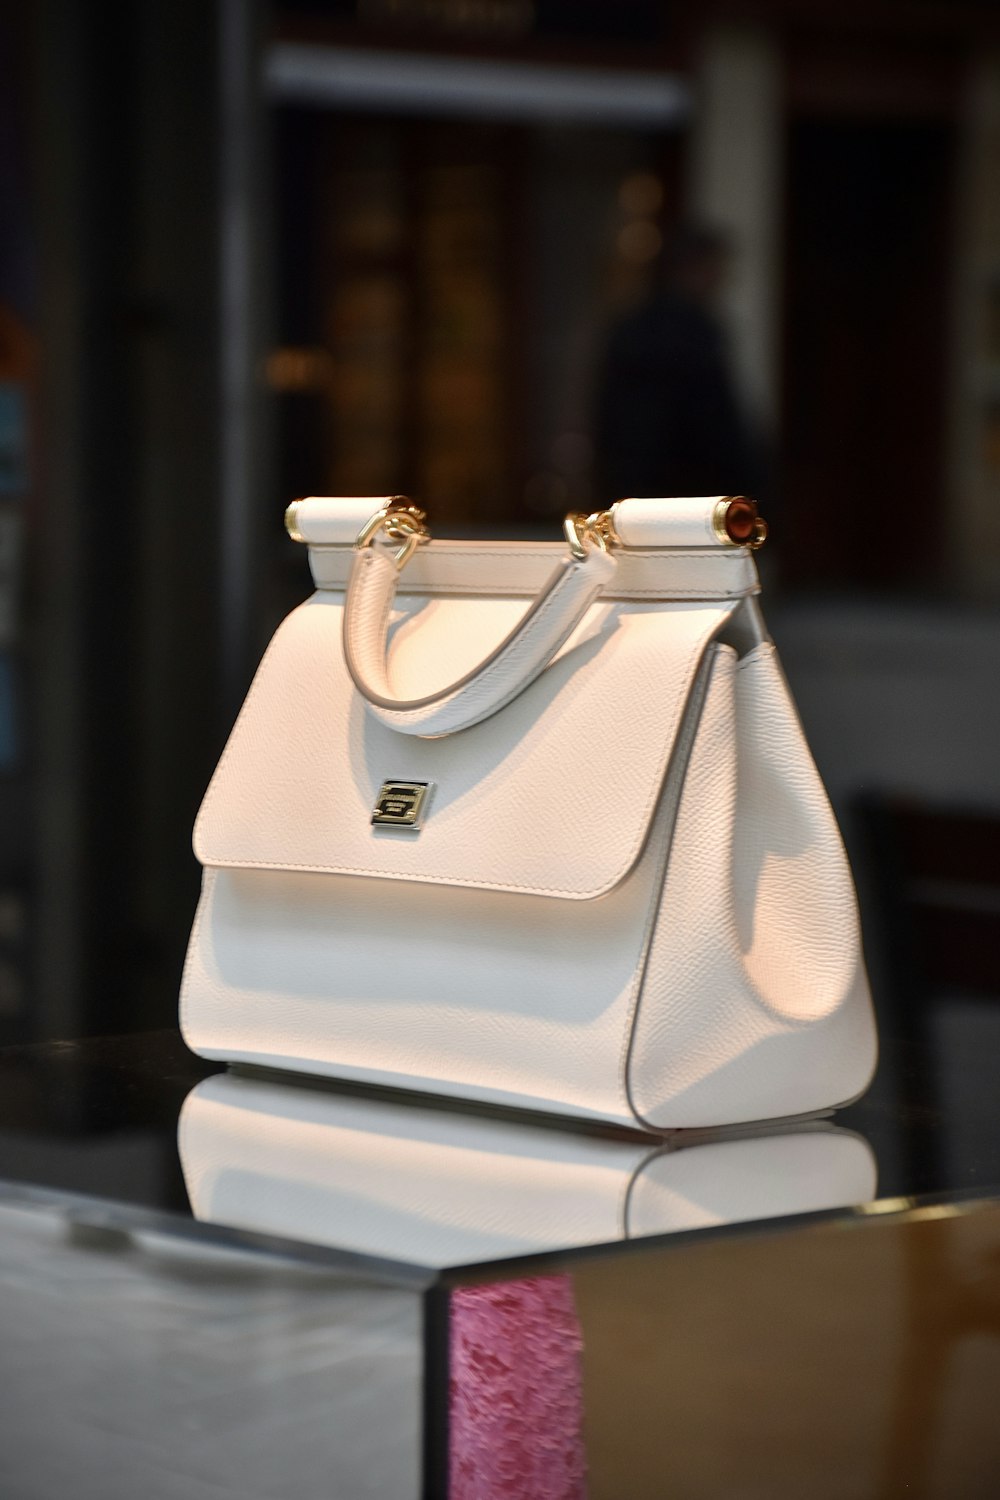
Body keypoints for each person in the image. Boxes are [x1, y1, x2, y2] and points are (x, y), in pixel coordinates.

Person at [594, 224, 770, 505]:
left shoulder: (635, 326)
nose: (719, 278)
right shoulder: (687, 331)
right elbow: (711, 420)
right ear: (690, 268)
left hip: (648, 487)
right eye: (714, 268)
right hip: (685, 491)